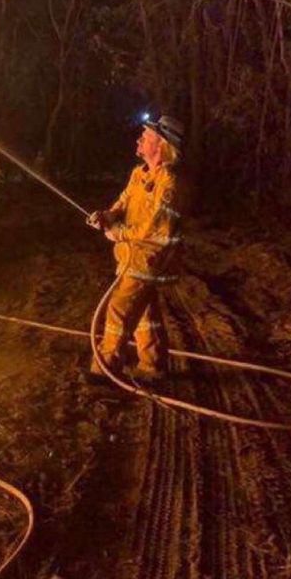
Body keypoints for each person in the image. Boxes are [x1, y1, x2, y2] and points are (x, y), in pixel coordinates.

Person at [85, 114, 188, 385]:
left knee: (120, 308)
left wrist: (119, 234)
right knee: (145, 312)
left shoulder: (169, 184)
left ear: (162, 146)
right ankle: (153, 365)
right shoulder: (138, 174)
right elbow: (123, 203)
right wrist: (106, 216)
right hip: (132, 255)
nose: (139, 139)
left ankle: (105, 369)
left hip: (151, 258)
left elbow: (153, 228)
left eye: (146, 137)